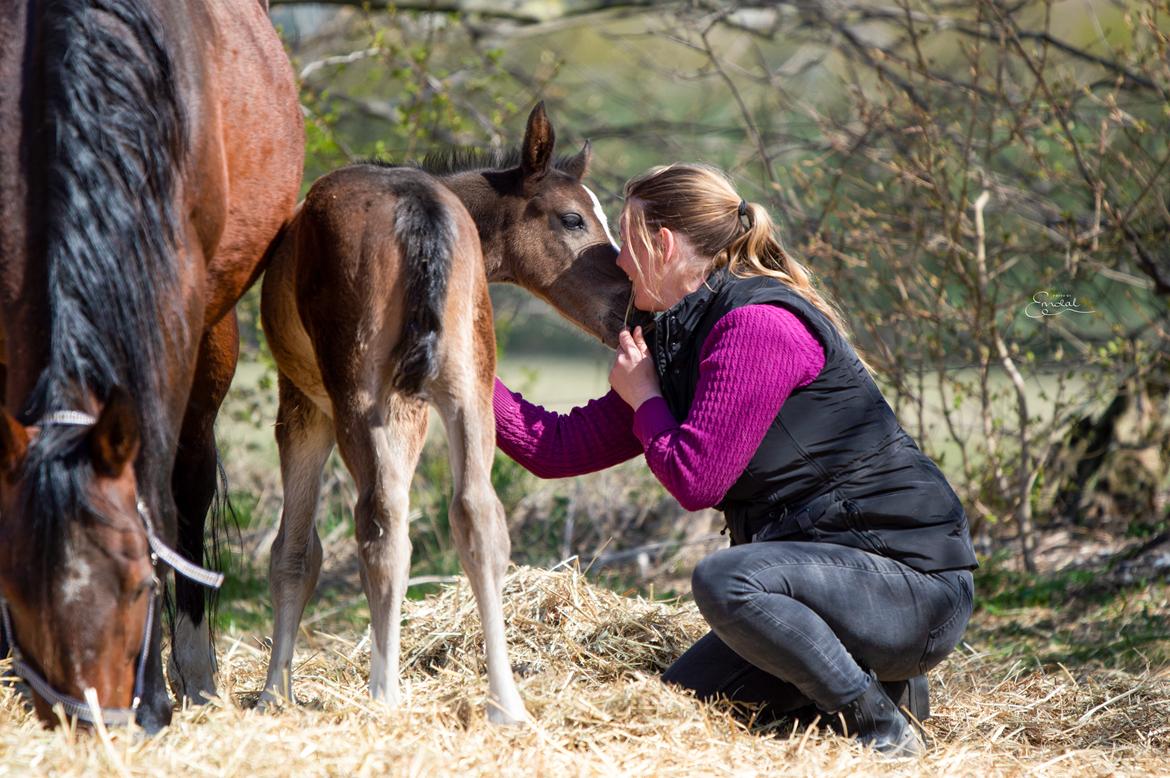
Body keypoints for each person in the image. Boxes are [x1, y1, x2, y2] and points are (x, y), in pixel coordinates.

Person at [492, 163, 977, 756]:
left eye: (627, 241)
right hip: (825, 591)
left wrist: (644, 397)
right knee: (686, 702)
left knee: (726, 581)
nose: (617, 261)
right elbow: (553, 448)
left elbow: (697, 479)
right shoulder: (674, 345)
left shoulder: (757, 326)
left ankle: (878, 721)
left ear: (663, 245)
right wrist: (456, 366)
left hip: (911, 588)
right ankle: (884, 683)